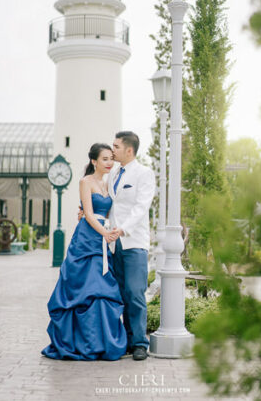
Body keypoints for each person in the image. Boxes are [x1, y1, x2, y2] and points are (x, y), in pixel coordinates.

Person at [42, 143, 128, 360]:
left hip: (102, 239)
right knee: (85, 287)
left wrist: (110, 231)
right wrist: (105, 234)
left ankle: (102, 342)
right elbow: (89, 214)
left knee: (102, 289)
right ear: (94, 161)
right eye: (105, 159)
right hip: (87, 240)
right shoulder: (85, 181)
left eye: (111, 158)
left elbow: (109, 211)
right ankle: (81, 342)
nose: (109, 163)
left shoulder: (108, 184)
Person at [108, 131, 156, 361]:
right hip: (114, 245)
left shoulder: (144, 173)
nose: (112, 150)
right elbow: (111, 204)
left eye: (116, 146)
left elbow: (141, 207)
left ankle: (139, 343)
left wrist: (123, 229)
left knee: (135, 292)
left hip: (134, 242)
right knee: (121, 293)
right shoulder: (114, 172)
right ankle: (127, 340)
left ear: (129, 150)